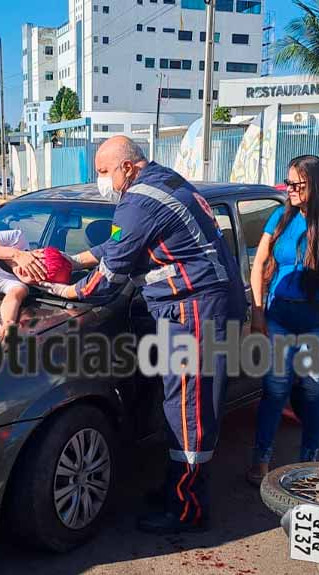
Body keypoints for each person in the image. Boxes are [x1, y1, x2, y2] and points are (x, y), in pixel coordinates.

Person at [40, 135, 246, 535]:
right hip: (193, 307)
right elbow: (120, 240)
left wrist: (68, 290)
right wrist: (75, 258)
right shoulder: (161, 182)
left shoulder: (139, 201)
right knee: (179, 404)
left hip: (194, 311)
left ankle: (187, 509)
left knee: (189, 411)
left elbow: (110, 276)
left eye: (103, 171)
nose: (100, 179)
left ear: (128, 167)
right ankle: (176, 489)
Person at [246, 155, 319, 485]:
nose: (291, 190)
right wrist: (257, 313)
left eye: (298, 184)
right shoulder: (281, 217)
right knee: (275, 388)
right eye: (289, 183)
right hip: (280, 316)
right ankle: (261, 460)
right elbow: (259, 263)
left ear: (317, 185)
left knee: (313, 393)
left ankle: (307, 462)